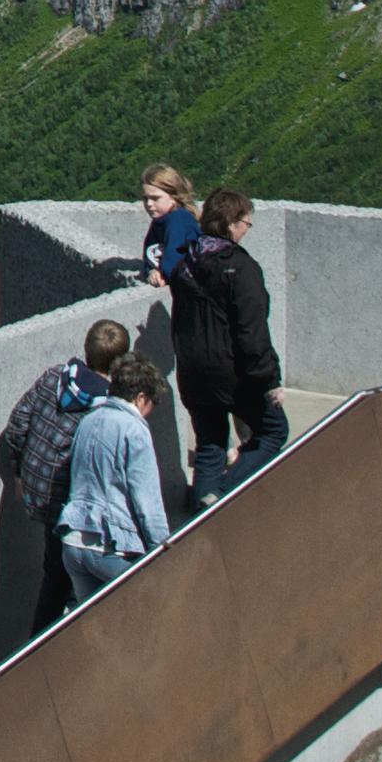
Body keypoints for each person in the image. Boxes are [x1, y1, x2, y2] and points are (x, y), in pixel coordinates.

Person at [0, 317, 135, 634]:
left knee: (55, 571)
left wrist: (18, 474)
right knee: (67, 577)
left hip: (35, 493)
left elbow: (17, 424)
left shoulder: (54, 376)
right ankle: (51, 642)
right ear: (120, 363)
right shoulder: (106, 409)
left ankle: (41, 639)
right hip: (69, 505)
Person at [169, 191, 282, 510]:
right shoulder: (240, 268)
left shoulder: (184, 264)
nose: (246, 229)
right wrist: (270, 380)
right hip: (231, 375)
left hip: (192, 374)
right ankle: (220, 501)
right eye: (245, 222)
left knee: (210, 444)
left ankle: (199, 516)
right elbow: (252, 333)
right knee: (273, 431)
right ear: (231, 224)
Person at [57, 356, 173, 603]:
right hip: (111, 548)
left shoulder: (87, 421)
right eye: (154, 402)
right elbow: (147, 503)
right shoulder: (134, 429)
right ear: (141, 398)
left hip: (73, 544)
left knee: (93, 627)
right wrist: (163, 549)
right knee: (146, 613)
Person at [135, 164, 200, 289]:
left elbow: (174, 259)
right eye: (145, 198)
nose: (149, 204)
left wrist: (163, 275)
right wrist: (152, 271)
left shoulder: (179, 220)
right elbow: (150, 252)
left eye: (155, 198)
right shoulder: (160, 221)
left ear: (173, 197)